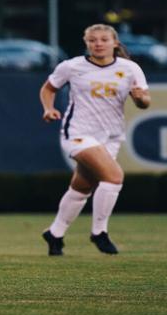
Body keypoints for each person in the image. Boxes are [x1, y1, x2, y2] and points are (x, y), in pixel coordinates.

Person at [38, 24, 152, 256]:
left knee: (83, 186)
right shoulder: (72, 66)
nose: (98, 44)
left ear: (115, 43)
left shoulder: (129, 68)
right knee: (114, 177)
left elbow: (144, 102)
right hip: (78, 132)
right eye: (92, 40)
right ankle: (99, 232)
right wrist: (48, 109)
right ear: (86, 43)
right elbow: (48, 89)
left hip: (111, 136)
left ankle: (55, 233)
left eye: (103, 39)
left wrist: (141, 99)